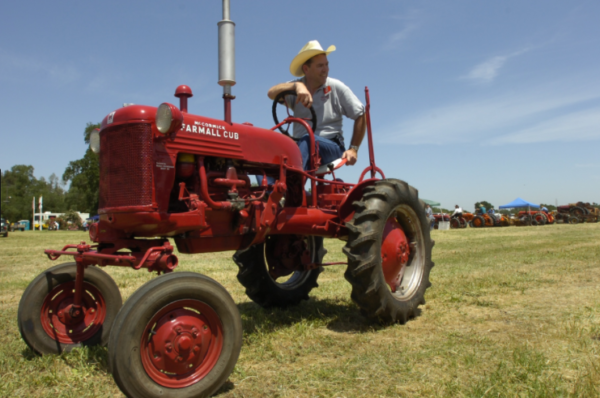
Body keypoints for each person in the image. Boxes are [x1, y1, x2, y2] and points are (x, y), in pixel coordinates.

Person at [268, 40, 366, 171]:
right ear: (306, 69)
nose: (326, 69)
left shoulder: (336, 87)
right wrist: (297, 86)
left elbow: (361, 114)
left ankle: (292, 187)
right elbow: (271, 93)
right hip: (300, 146)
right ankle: (269, 190)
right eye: (320, 66)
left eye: (326, 64)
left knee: (308, 140)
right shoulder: (296, 88)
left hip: (331, 146)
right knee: (267, 148)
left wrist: (353, 149)